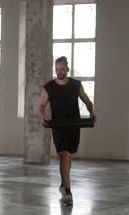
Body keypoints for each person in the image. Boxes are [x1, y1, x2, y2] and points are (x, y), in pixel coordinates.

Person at [39, 56, 96, 205]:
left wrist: (92, 112)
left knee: (69, 156)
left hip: (73, 125)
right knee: (64, 155)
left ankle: (63, 185)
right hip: (57, 126)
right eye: (57, 69)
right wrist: (42, 115)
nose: (59, 72)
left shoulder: (76, 85)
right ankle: (68, 192)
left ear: (67, 69)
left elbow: (87, 101)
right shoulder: (49, 87)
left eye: (62, 69)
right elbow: (42, 105)